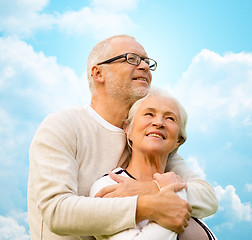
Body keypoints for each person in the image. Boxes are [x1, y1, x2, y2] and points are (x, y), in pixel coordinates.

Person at [28, 35, 218, 240]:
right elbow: (57, 212)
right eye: (131, 59)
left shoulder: (147, 139)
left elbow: (207, 197)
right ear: (98, 73)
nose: (144, 66)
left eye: (147, 61)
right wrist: (146, 205)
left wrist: (151, 188)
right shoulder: (63, 126)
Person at [90, 87, 217, 239]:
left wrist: (162, 189)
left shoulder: (178, 184)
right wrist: (172, 196)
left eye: (170, 118)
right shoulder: (110, 185)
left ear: (179, 140)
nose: (158, 122)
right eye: (149, 114)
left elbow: (210, 201)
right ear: (128, 129)